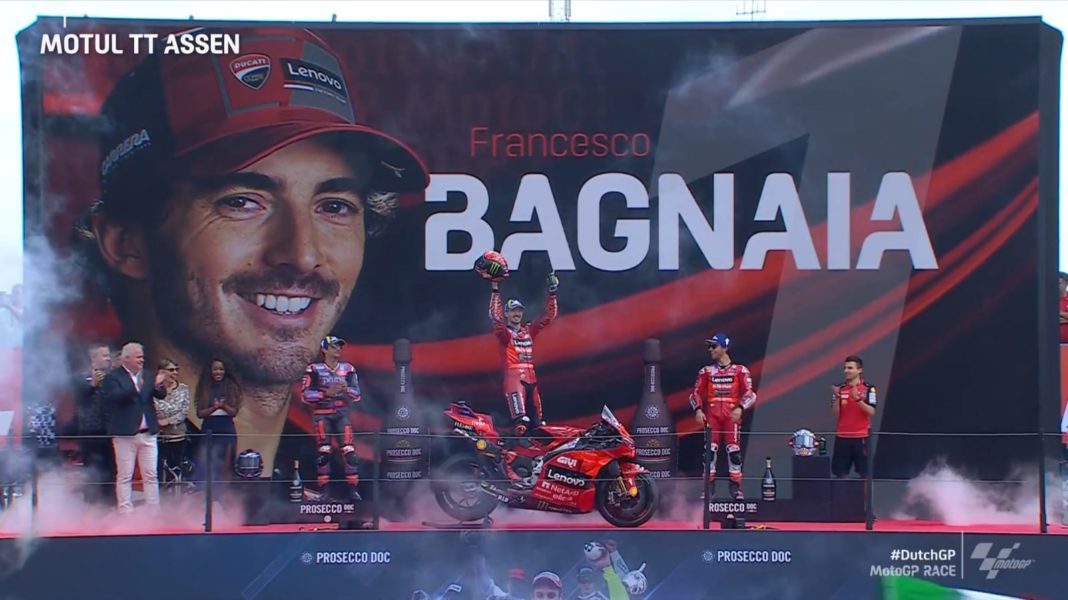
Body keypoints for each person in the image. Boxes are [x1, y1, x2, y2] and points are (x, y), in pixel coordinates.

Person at [76, 27, 429, 476]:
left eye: (334, 206)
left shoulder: (347, 482)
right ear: (126, 242)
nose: (302, 255)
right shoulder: (78, 481)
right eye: (242, 202)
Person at [477, 251, 560, 434]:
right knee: (520, 424)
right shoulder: (505, 334)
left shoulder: (528, 331)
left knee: (539, 426)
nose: (516, 314)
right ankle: (514, 450)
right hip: (514, 381)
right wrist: (495, 288)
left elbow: (548, 317)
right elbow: (495, 318)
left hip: (532, 381)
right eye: (513, 311)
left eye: (519, 311)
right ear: (507, 313)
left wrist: (553, 293)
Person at [688, 333, 756, 500]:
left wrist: (740, 407)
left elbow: (750, 394)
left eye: (714, 346)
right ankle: (708, 490)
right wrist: (698, 410)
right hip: (712, 417)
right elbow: (695, 393)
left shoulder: (740, 370)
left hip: (731, 417)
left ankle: (736, 489)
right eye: (709, 346)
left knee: (734, 453)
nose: (710, 350)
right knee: (709, 453)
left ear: (724, 347)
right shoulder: (706, 371)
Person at [102, 342, 167, 514]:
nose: (142, 360)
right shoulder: (112, 377)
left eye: (142, 357)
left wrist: (158, 385)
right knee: (125, 475)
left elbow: (160, 395)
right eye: (138, 357)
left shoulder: (148, 374)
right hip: (125, 434)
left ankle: (154, 510)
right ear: (126, 358)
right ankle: (125, 510)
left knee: (151, 474)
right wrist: (138, 386)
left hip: (148, 433)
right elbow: (116, 398)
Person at [300, 335, 362, 500]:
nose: (338, 349)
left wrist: (346, 389)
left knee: (350, 454)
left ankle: (353, 491)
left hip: (341, 414)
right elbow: (305, 395)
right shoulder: (314, 369)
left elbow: (357, 394)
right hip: (322, 415)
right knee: (324, 453)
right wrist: (325, 393)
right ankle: (324, 491)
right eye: (334, 346)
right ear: (324, 349)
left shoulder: (348, 369)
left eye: (339, 346)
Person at [74, 342, 116, 504]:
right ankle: (91, 504)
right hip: (90, 432)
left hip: (111, 430)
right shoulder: (80, 378)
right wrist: (92, 386)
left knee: (111, 470)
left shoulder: (113, 377)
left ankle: (110, 503)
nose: (108, 359)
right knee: (91, 471)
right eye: (104, 355)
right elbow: (78, 399)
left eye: (108, 355)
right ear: (93, 358)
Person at [830, 355, 876, 479]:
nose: (846, 371)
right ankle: (840, 493)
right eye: (845, 368)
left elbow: (871, 411)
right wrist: (838, 397)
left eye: (850, 368)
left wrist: (858, 400)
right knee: (840, 474)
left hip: (861, 437)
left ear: (859, 370)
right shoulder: (840, 389)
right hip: (842, 437)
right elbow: (835, 414)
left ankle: (864, 493)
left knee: (865, 474)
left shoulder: (869, 388)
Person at [196, 358, 241, 483]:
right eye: (215, 369)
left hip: (226, 430)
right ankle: (209, 492)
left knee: (225, 467)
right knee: (207, 464)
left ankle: (223, 493)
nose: (218, 372)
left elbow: (234, 412)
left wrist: (223, 406)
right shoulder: (204, 388)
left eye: (221, 369)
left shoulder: (231, 387)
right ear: (210, 371)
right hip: (209, 429)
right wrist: (214, 408)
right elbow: (200, 413)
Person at [154, 358, 190, 488]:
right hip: (158, 435)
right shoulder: (153, 389)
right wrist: (159, 420)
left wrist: (167, 421)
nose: (175, 372)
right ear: (161, 372)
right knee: (157, 468)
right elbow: (152, 408)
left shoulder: (183, 389)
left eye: (176, 369)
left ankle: (176, 494)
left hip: (177, 435)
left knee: (176, 468)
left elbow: (184, 411)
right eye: (171, 370)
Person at [1059, 272, 1068, 343]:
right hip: (1054, 343)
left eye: (1059, 283)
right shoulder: (1049, 299)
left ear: (1066, 283)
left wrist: (1059, 313)